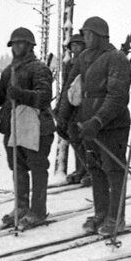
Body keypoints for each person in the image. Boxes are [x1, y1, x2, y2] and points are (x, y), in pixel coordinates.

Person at [0, 28, 54, 229]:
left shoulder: (39, 68)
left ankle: (38, 211)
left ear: (30, 46)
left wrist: (22, 94)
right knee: (17, 168)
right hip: (14, 128)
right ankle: (21, 206)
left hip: (36, 127)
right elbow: (0, 97)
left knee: (37, 168)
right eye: (14, 43)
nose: (17, 47)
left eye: (21, 43)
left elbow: (44, 96)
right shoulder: (9, 70)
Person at [56, 17, 131, 237]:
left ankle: (116, 217)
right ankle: (101, 213)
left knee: (114, 170)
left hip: (112, 125)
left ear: (100, 35)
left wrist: (98, 120)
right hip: (86, 123)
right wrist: (63, 118)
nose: (85, 38)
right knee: (96, 170)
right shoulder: (82, 58)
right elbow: (69, 89)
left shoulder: (115, 58)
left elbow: (117, 97)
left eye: (88, 34)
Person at [61, 34, 90, 186]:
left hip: (86, 107)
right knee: (74, 139)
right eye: (73, 45)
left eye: (79, 45)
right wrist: (61, 109)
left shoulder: (89, 62)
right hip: (72, 107)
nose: (75, 48)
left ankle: (91, 170)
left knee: (87, 140)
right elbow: (66, 86)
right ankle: (81, 169)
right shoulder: (69, 65)